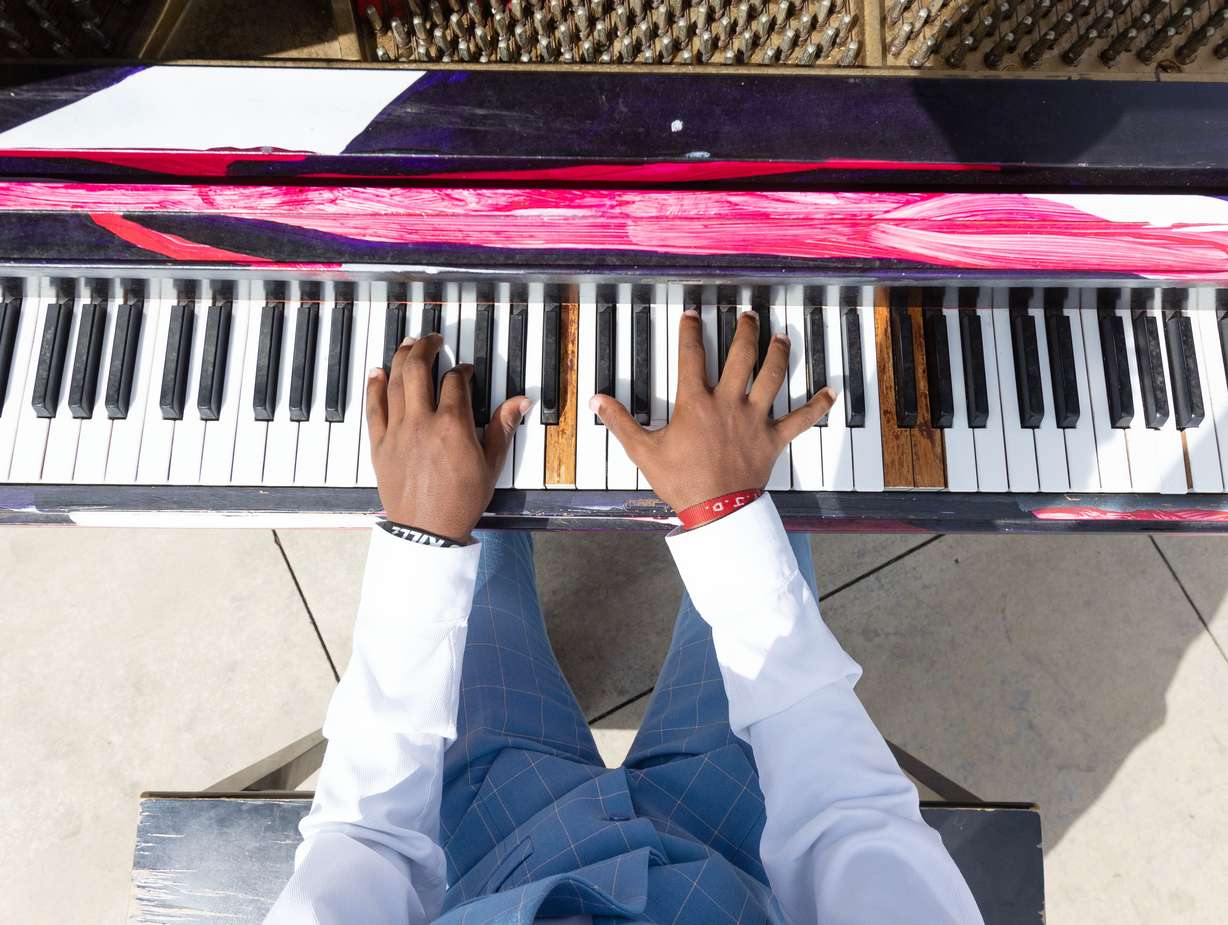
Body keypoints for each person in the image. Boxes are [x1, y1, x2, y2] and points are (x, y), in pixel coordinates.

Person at [266, 308, 985, 925]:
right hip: (741, 832)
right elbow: (848, 819)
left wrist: (426, 539)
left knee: (465, 483)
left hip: (496, 839)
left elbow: (367, 842)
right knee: (769, 475)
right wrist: (727, 513)